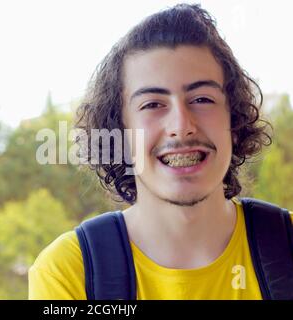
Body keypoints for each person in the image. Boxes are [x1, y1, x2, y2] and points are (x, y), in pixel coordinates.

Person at [28, 3, 293, 300]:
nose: (181, 126)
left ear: (234, 118)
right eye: (152, 104)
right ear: (119, 131)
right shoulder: (67, 273)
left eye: (202, 99)